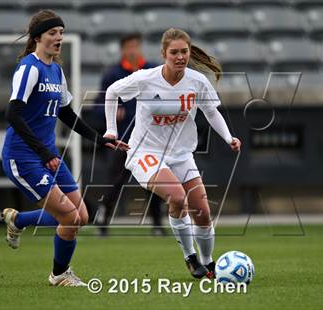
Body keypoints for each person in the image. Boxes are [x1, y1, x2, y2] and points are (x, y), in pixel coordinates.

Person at [0, 10, 128, 287]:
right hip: (23, 157)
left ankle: (18, 220)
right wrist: (44, 153)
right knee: (69, 216)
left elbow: (67, 114)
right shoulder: (29, 68)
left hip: (48, 156)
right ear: (37, 38)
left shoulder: (56, 70)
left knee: (80, 216)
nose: (59, 37)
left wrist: (100, 138)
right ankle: (59, 275)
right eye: (53, 33)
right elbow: (13, 114)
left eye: (61, 32)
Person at [103, 28, 241, 279]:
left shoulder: (197, 81)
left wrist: (229, 137)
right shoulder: (146, 78)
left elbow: (211, 112)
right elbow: (112, 92)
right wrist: (112, 130)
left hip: (181, 154)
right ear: (163, 54)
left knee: (203, 211)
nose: (180, 57)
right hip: (145, 152)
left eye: (184, 52)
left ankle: (208, 263)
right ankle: (190, 256)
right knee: (177, 197)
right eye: (174, 52)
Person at [94, 33, 165, 236]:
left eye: (136, 46)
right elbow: (98, 106)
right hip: (123, 140)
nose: (133, 50)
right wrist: (113, 112)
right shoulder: (113, 74)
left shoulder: (152, 70)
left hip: (149, 138)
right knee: (115, 183)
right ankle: (103, 224)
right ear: (123, 50)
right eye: (129, 46)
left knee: (154, 182)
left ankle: (158, 225)